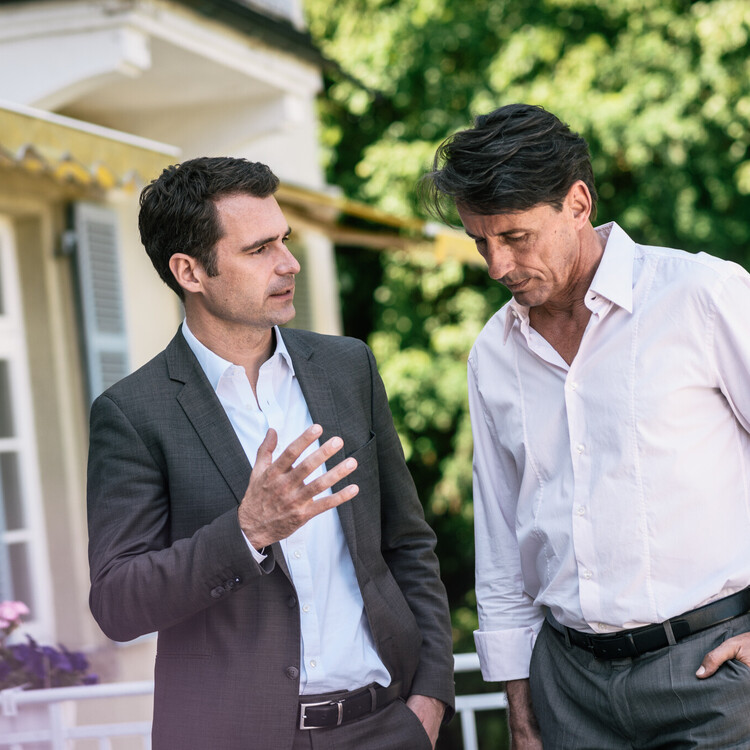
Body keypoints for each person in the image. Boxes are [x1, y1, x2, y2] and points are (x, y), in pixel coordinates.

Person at [87, 156, 454, 750]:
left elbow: (408, 542)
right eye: (259, 250)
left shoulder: (347, 367)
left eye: (283, 239)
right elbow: (117, 602)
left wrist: (431, 696)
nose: (289, 263)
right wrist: (248, 531)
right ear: (190, 271)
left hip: (387, 726)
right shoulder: (133, 413)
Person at [421, 103, 750, 749]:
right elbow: (501, 541)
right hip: (569, 691)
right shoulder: (493, 354)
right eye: (480, 241)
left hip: (715, 673)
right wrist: (521, 703)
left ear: (577, 203)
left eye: (515, 237)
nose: (496, 266)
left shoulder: (703, 295)